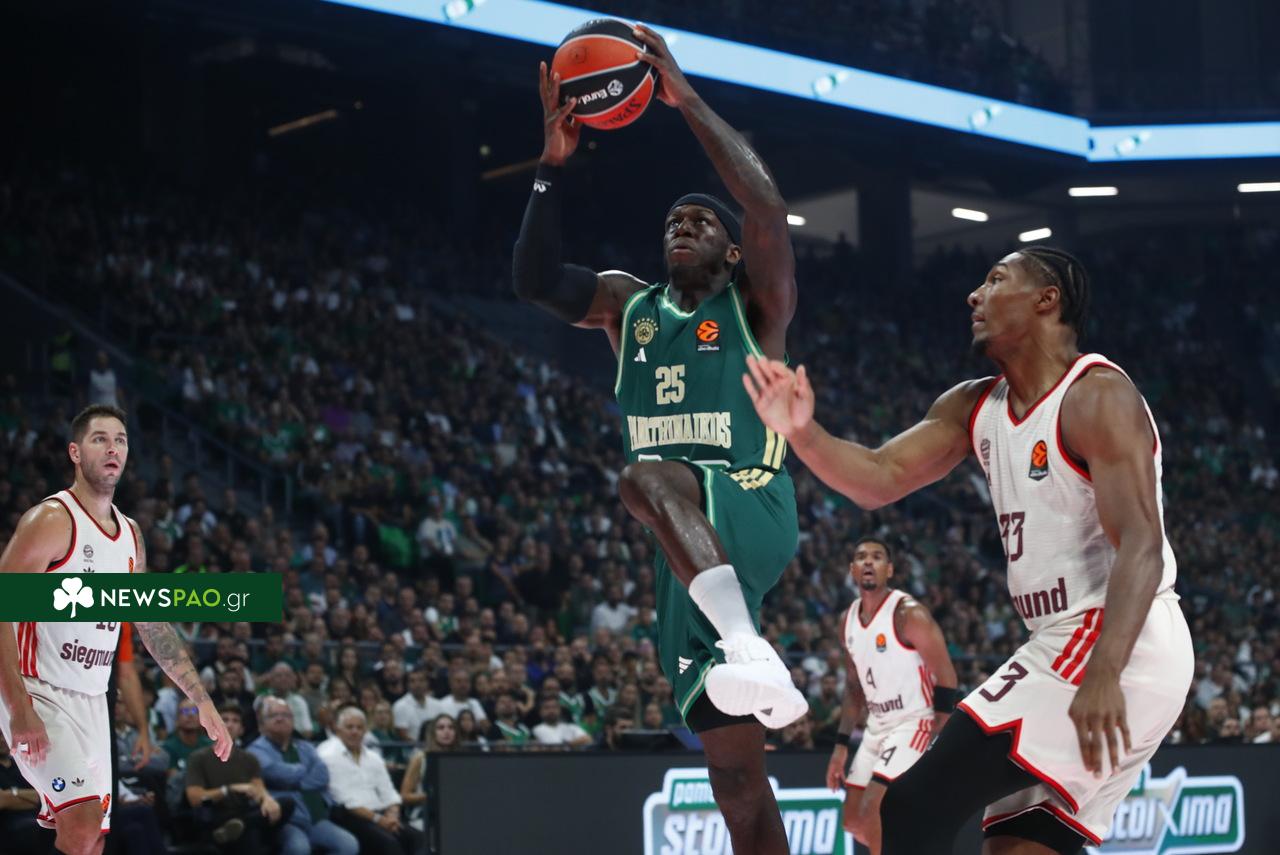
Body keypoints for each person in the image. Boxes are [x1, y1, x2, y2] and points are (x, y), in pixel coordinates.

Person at [744, 247, 1194, 853]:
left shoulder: (1095, 395)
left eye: (996, 279)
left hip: (1115, 635)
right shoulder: (974, 405)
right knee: (1019, 845)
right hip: (1071, 641)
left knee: (913, 803)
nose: (973, 295)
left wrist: (1105, 672)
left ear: (1047, 299)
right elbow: (878, 477)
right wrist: (801, 431)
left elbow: (1142, 542)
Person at [513, 24, 803, 854]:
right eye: (675, 219)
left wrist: (685, 100)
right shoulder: (628, 307)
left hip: (750, 499)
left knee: (642, 474)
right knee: (736, 783)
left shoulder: (755, 306)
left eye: (701, 222)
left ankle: (747, 642)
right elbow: (534, 282)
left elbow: (766, 206)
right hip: (685, 550)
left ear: (732, 252)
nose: (684, 225)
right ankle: (746, 652)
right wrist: (550, 167)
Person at [0, 404, 232, 855]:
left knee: (93, 841)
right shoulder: (52, 519)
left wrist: (202, 700)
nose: (112, 449)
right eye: (100, 439)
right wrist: (17, 705)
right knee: (82, 823)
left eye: (120, 440)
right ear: (75, 452)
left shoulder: (131, 535)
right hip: (39, 690)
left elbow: (152, 623)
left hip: (92, 700)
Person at [824, 537, 958, 855]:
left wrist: (938, 735)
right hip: (876, 726)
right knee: (853, 820)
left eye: (877, 556)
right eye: (861, 557)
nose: (869, 562)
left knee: (875, 810)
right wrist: (840, 747)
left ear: (890, 569)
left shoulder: (908, 614)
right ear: (852, 570)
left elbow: (947, 676)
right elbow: (854, 687)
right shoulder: (847, 621)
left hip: (914, 721)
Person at [248, 696, 358, 855]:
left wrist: (296, 783)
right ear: (262, 723)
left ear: (293, 721)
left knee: (348, 845)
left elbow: (322, 775)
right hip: (286, 820)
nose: (280, 718)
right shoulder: (255, 750)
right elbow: (275, 772)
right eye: (273, 715)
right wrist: (304, 769)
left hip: (315, 818)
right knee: (299, 849)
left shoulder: (305, 746)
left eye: (285, 715)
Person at [319, 706, 427, 855]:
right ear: (338, 729)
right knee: (390, 845)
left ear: (365, 731)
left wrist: (392, 815)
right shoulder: (328, 754)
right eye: (349, 727)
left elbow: (389, 792)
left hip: (381, 815)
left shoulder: (373, 757)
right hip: (349, 817)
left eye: (359, 728)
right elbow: (344, 800)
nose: (355, 732)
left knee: (419, 839)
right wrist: (379, 820)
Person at [185, 703, 289, 853]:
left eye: (235, 721)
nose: (230, 724)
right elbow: (195, 799)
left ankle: (238, 826)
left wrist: (267, 799)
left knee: (286, 803)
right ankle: (235, 828)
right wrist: (229, 790)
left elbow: (259, 788)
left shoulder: (249, 758)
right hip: (215, 813)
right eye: (225, 720)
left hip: (244, 812)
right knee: (251, 834)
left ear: (241, 729)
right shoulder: (198, 758)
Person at [400, 714, 458, 831]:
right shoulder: (420, 758)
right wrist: (433, 797)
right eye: (441, 728)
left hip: (455, 812)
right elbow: (404, 796)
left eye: (451, 727)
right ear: (433, 733)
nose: (446, 731)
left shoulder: (461, 758)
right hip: (424, 813)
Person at [0, 730, 53, 854]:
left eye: (4, 735)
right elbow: (2, 800)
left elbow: (46, 795)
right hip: (9, 827)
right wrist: (37, 797)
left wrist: (12, 794)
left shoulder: (23, 765)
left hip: (38, 817)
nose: (2, 740)